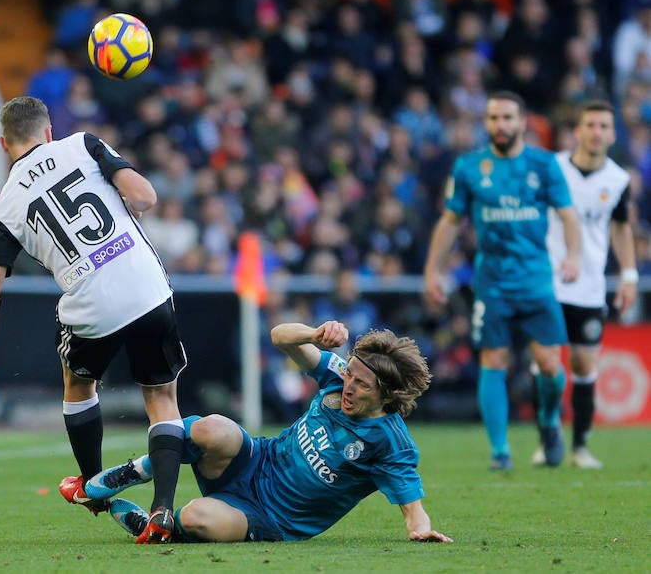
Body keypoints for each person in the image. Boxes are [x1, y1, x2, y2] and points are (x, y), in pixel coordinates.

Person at [0, 96, 187, 544]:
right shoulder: (82, 145)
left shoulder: (5, 207)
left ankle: (93, 485)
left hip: (91, 302)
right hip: (146, 286)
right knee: (162, 398)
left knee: (79, 384)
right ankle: (163, 508)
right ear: (48, 132)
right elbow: (144, 195)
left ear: (4, 143)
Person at [80, 320, 452, 545]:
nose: (349, 385)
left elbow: (412, 509)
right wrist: (314, 334)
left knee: (196, 518)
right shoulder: (340, 377)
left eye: (362, 384)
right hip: (254, 460)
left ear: (387, 394)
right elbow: (279, 336)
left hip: (271, 517)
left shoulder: (389, 443)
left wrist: (421, 531)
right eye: (350, 374)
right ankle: (138, 469)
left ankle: (158, 526)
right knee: (212, 427)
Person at [424, 91, 582, 471]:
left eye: (508, 118)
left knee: (549, 364)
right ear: (487, 122)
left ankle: (548, 420)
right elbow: (450, 221)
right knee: (493, 359)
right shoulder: (469, 167)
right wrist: (433, 268)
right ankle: (500, 451)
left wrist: (574, 256)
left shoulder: (543, 165)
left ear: (522, 122)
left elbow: (568, 215)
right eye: (494, 118)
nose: (500, 125)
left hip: (536, 280)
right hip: (492, 282)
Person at [531, 100, 637, 469]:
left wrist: (628, 274)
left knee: (584, 363)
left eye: (604, 126)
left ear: (612, 133)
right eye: (590, 124)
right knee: (544, 363)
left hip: (590, 286)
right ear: (577, 130)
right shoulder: (552, 168)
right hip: (546, 283)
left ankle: (580, 447)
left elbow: (622, 228)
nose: (596, 132)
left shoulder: (618, 180)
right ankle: (548, 442)